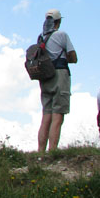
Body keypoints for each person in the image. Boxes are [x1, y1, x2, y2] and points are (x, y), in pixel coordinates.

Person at [37, 9, 77, 152]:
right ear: (58, 22)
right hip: (60, 75)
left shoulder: (41, 37)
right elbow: (73, 58)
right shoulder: (61, 35)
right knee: (58, 115)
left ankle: (40, 151)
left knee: (46, 115)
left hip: (45, 77)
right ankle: (52, 150)